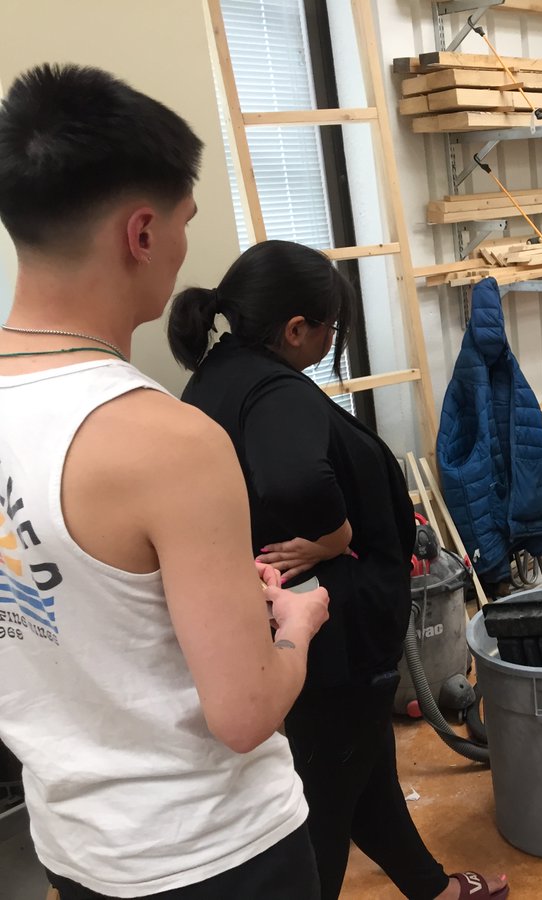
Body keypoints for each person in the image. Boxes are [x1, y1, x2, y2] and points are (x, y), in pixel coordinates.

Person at [0, 64, 331, 898]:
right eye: (185, 222)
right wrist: (295, 622)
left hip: (75, 849)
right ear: (141, 233)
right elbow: (246, 712)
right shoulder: (167, 441)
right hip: (213, 853)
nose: (187, 249)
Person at [168, 240, 507, 900]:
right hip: (333, 630)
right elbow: (294, 479)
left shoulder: (218, 375)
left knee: (362, 767)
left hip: (305, 621)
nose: (330, 343)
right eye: (330, 330)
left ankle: (431, 889)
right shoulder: (272, 388)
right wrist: (337, 534)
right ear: (296, 329)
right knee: (323, 806)